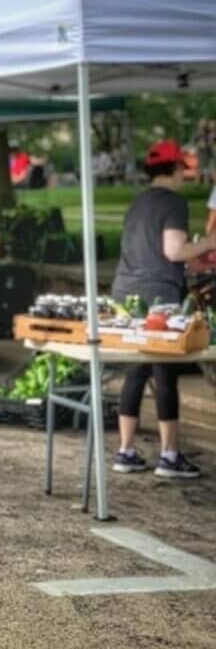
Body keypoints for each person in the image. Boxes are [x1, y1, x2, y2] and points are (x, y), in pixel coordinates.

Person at [111, 140, 214, 479]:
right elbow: (173, 251)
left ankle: (126, 451)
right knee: (165, 373)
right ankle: (170, 456)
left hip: (126, 293)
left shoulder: (138, 203)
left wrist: (190, 259)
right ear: (174, 169)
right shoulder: (172, 202)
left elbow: (157, 253)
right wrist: (210, 243)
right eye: (182, 167)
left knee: (136, 371)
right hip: (158, 297)